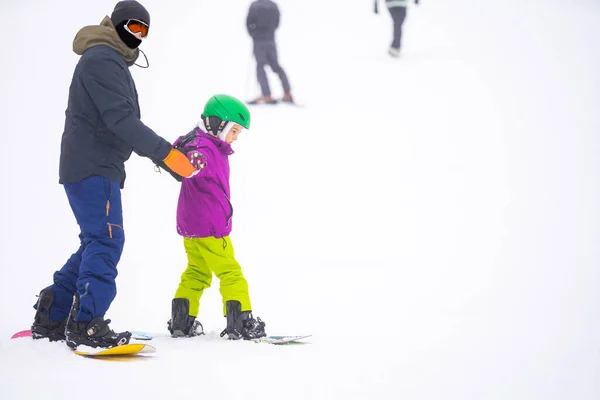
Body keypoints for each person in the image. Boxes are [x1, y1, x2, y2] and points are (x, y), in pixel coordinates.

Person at [31, 0, 200, 349]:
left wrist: (168, 158)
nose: (138, 37)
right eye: (133, 28)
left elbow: (118, 121)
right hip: (94, 167)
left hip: (90, 166)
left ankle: (53, 311)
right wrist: (167, 154)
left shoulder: (105, 59)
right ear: (118, 24)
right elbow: (121, 121)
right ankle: (87, 324)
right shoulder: (103, 59)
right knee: (106, 241)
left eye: (144, 32)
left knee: (95, 240)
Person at [166, 94, 267, 341]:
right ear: (217, 123)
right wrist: (193, 160)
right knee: (230, 272)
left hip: (191, 224)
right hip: (210, 226)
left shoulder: (202, 142)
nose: (235, 138)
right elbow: (193, 161)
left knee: (196, 271)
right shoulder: (203, 148)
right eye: (233, 131)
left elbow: (186, 148)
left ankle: (182, 321)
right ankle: (241, 323)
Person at [246, 0, 294, 105]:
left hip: (258, 40)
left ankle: (267, 95)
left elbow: (248, 22)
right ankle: (287, 92)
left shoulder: (254, 5)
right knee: (275, 65)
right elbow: (277, 23)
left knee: (260, 66)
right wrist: (269, 32)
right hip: (271, 40)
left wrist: (254, 34)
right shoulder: (274, 5)